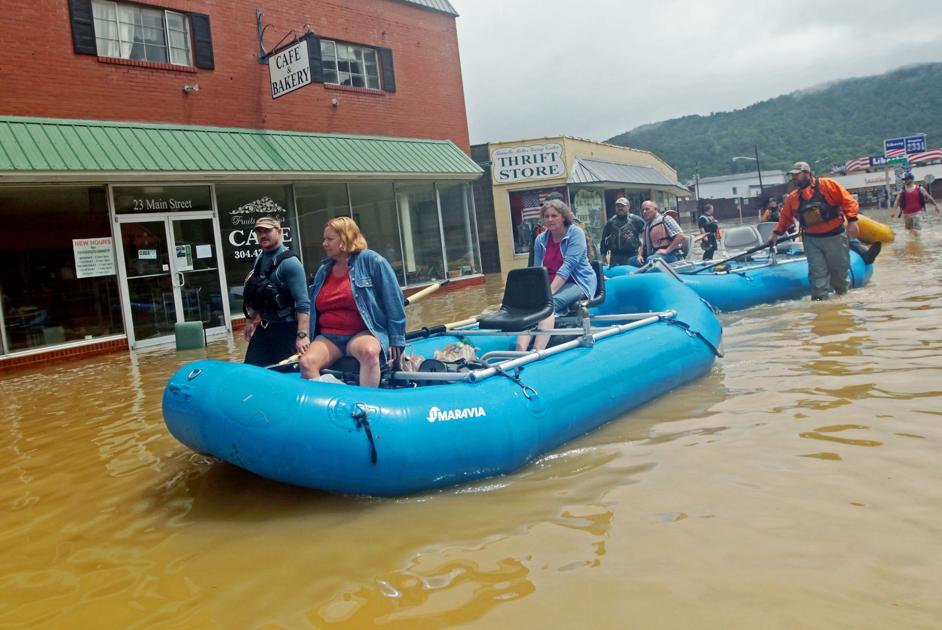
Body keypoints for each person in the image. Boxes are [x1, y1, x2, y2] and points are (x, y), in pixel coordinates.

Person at [299, 217, 405, 387]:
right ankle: (330, 404)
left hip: (361, 333)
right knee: (306, 363)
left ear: (345, 238)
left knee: (370, 353)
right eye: (324, 239)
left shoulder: (372, 261)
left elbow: (393, 300)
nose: (324, 244)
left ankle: (367, 404)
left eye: (330, 239)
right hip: (329, 337)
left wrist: (396, 339)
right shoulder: (323, 270)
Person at [766, 161, 865, 300]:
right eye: (792, 175)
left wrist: (853, 221)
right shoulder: (793, 198)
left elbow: (848, 202)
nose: (793, 178)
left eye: (797, 175)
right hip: (812, 240)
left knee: (839, 275)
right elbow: (785, 219)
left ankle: (842, 302)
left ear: (807, 174)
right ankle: (820, 304)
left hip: (835, 237)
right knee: (817, 275)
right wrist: (775, 234)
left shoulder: (828, 185)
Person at [516, 199, 597, 352]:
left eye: (554, 216)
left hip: (578, 282)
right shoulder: (541, 239)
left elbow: (567, 268)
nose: (550, 219)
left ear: (564, 217)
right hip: (552, 282)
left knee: (548, 305)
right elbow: (537, 270)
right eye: (546, 216)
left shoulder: (576, 233)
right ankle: (519, 352)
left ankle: (537, 352)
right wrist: (534, 293)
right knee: (530, 303)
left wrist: (548, 294)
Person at [242, 217, 311, 367]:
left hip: (286, 330)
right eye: (259, 232)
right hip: (265, 326)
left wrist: (302, 335)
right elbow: (258, 295)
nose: (263, 235)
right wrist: (250, 321)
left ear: (279, 232)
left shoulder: (290, 263)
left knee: (289, 372)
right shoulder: (260, 259)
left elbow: (303, 303)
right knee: (251, 368)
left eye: (267, 231)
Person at [635, 200, 686, 266]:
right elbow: (644, 244)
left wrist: (666, 250)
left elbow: (681, 236)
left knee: (650, 260)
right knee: (632, 260)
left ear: (655, 209)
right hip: (655, 255)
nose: (644, 212)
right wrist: (639, 255)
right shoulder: (647, 225)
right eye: (643, 210)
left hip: (672, 255)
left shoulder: (666, 219)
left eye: (647, 209)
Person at [600, 197, 645, 266]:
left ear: (628, 207)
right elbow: (604, 240)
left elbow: (646, 237)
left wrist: (641, 254)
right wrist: (603, 255)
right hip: (614, 258)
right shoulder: (610, 222)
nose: (620, 208)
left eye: (622, 206)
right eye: (618, 206)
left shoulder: (636, 220)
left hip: (632, 256)